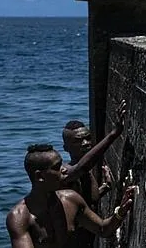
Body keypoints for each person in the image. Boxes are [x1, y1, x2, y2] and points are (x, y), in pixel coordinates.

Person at [6, 144, 137, 248]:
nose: (64, 169)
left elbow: (103, 229)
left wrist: (120, 212)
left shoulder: (71, 199)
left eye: (61, 164)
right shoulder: (19, 217)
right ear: (40, 176)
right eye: (57, 167)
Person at [60, 100, 126, 247]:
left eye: (88, 138)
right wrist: (113, 134)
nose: (85, 143)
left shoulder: (86, 173)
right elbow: (81, 167)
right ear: (66, 148)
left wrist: (104, 188)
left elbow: (82, 203)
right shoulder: (66, 172)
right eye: (78, 141)